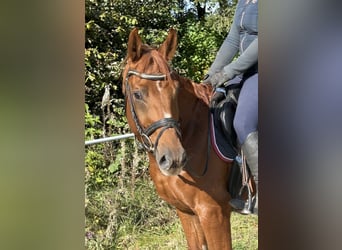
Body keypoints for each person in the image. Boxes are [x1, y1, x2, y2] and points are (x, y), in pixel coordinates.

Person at [203, 0, 258, 214]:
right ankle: (236, 185)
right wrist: (210, 76)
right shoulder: (243, 2)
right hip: (245, 71)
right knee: (216, 107)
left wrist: (228, 72)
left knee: (243, 123)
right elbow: (233, 40)